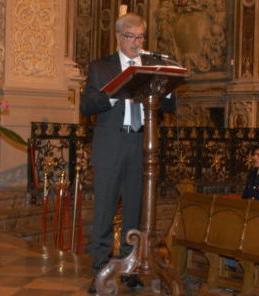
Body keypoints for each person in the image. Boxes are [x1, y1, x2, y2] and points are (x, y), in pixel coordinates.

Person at [79, 13, 175, 292]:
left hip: (141, 146)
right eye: (131, 36)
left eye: (141, 37)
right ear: (119, 37)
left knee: (135, 211)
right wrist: (115, 92)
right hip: (110, 145)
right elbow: (87, 106)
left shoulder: (153, 65)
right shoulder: (101, 67)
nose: (137, 42)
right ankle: (100, 270)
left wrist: (167, 91)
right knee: (105, 210)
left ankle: (129, 266)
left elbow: (168, 108)